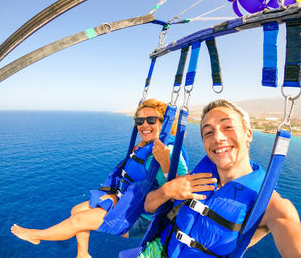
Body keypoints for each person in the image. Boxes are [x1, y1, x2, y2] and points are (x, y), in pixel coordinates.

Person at [140, 99, 301, 258]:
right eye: (208, 132)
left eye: (227, 127)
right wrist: (167, 189)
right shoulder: (195, 179)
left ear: (248, 134)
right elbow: (148, 206)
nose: (218, 137)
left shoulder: (270, 206)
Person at [11, 99, 188, 258]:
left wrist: (165, 163)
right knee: (76, 210)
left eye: (151, 120)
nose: (144, 125)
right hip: (130, 202)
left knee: (78, 221)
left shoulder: (170, 151)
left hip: (144, 218)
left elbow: (184, 192)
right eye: (139, 121)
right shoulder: (148, 146)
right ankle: (83, 254)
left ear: (163, 123)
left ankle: (36, 236)